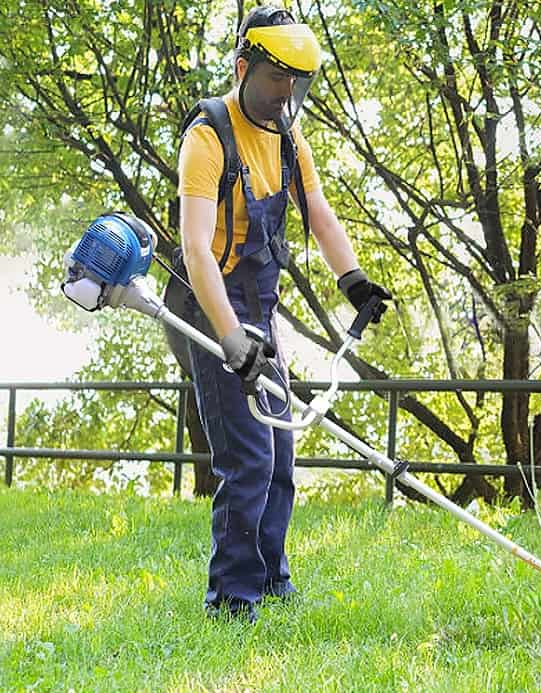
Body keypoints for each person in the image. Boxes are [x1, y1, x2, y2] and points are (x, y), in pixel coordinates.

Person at [177, 4, 391, 622]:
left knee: (281, 452)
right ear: (245, 68)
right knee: (248, 458)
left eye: (297, 81)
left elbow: (318, 209)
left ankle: (272, 580)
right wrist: (229, 340)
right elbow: (195, 247)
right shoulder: (208, 136)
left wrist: (352, 280)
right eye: (277, 79)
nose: (287, 93)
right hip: (212, 304)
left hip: (260, 307)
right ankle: (232, 600)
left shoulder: (287, 136)